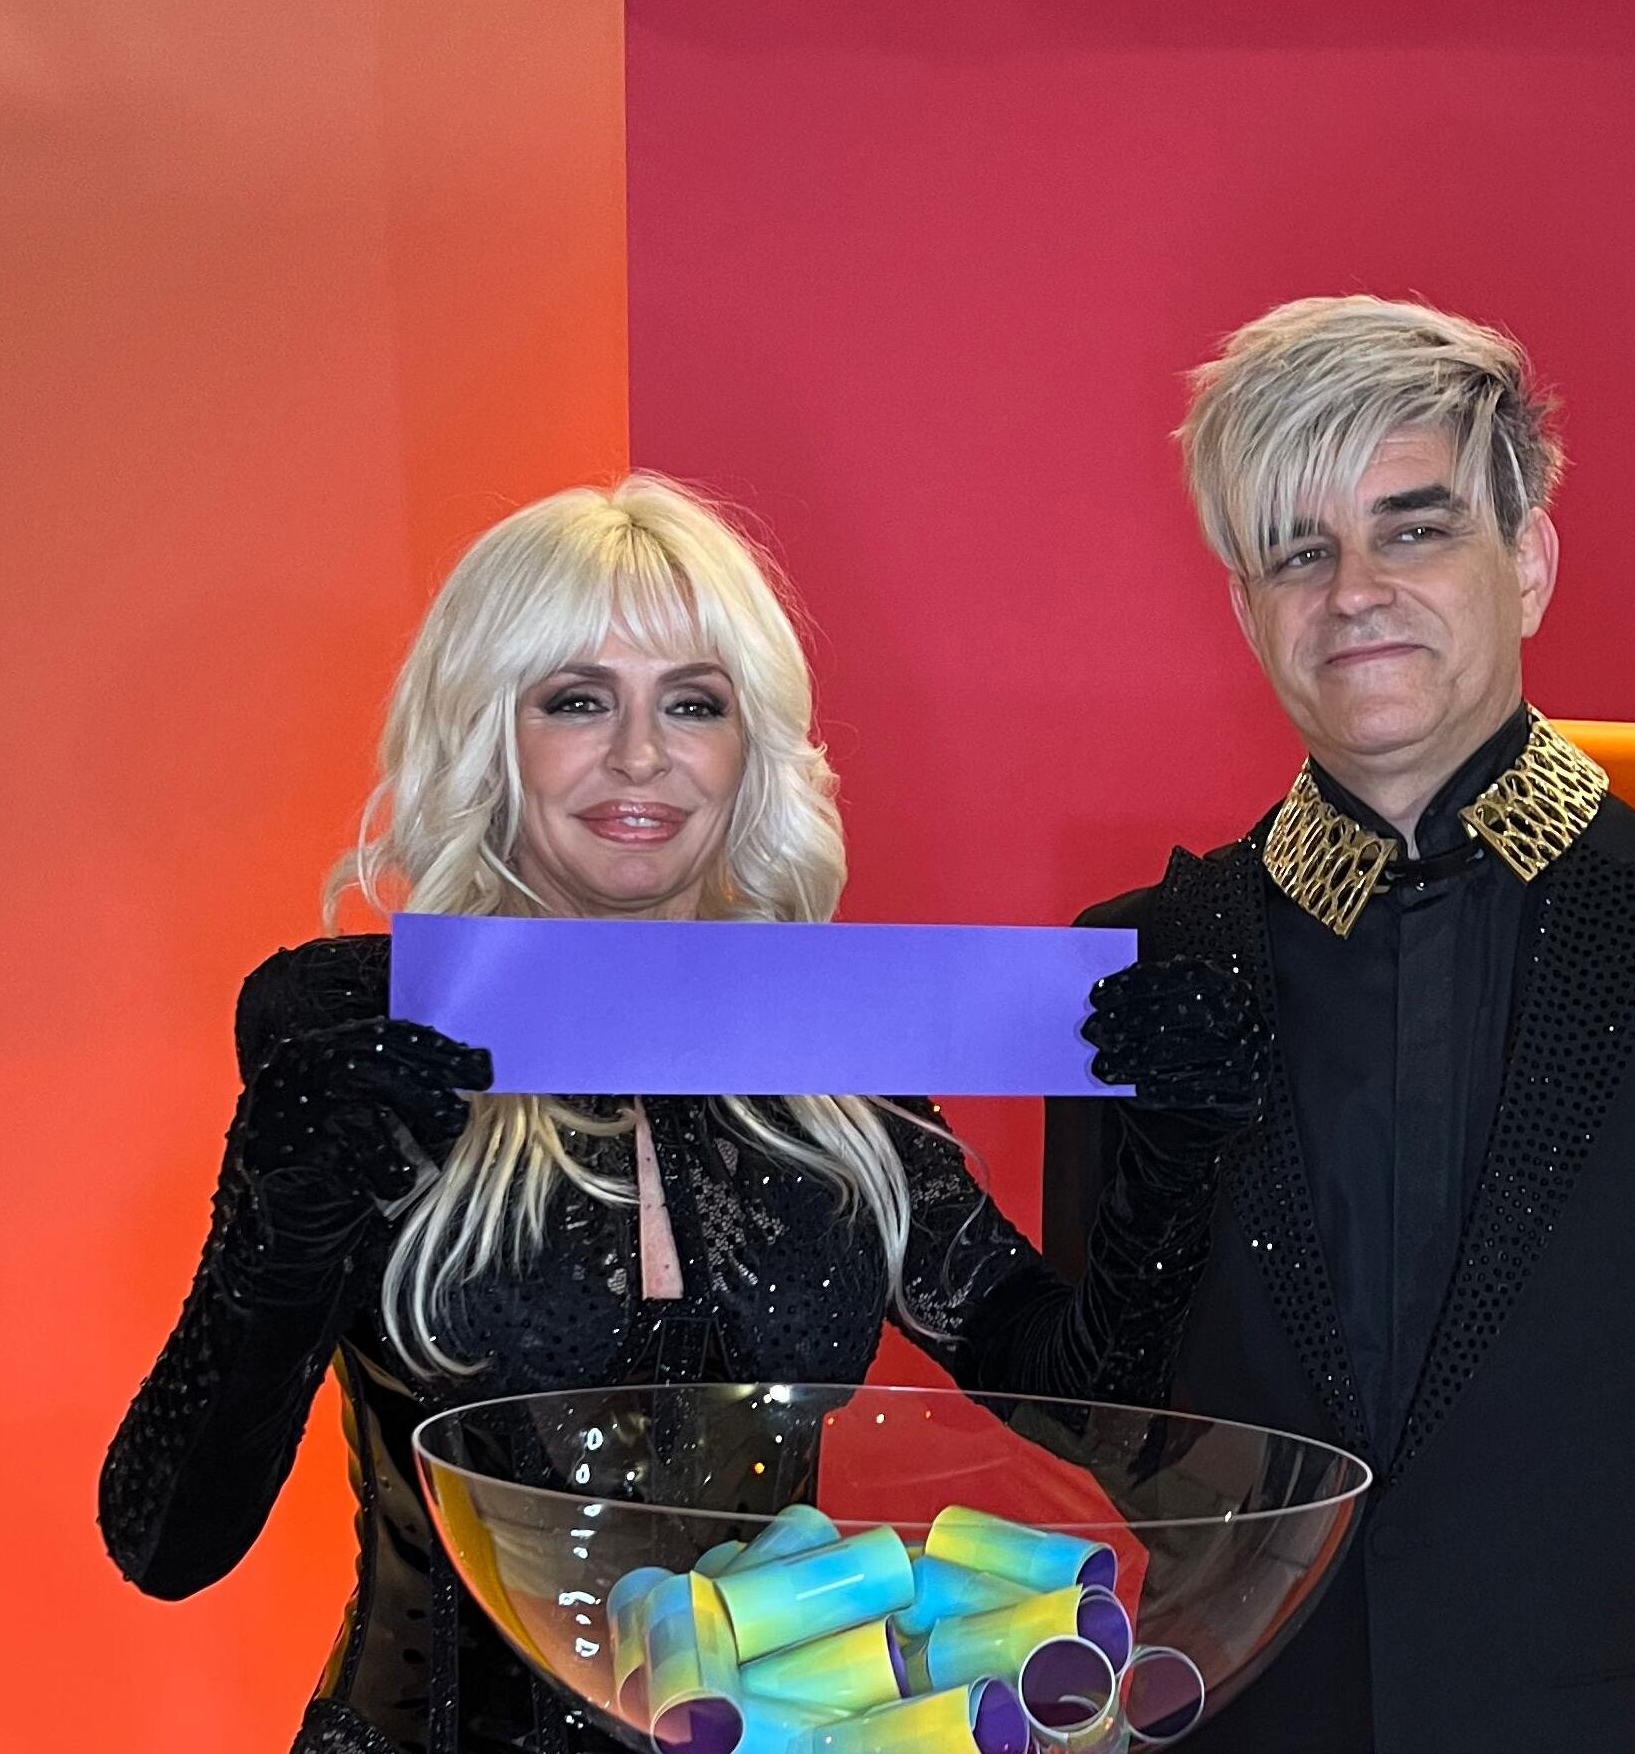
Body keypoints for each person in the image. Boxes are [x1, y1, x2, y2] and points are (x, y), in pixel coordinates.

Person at [98, 476, 1241, 1754]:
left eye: (693, 703)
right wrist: (275, 1227)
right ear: (486, 729)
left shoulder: (830, 1046)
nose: (640, 754)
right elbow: (166, 1540)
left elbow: (1085, 1404)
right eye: (576, 699)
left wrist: (1171, 1151)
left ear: (749, 747)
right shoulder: (362, 1029)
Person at [1045, 297, 1635, 1753]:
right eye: (1297, 550)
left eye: (1412, 529)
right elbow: (1110, 1403)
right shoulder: (1133, 966)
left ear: (1525, 560)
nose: (1354, 591)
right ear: (1247, 609)